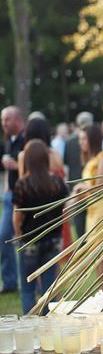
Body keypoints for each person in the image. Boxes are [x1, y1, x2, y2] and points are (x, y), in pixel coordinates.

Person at [12, 140, 69, 314]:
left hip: (30, 241)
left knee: (28, 289)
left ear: (27, 160)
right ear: (46, 158)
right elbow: (65, 209)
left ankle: (31, 325)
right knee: (50, 288)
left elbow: (17, 216)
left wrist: (19, 235)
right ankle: (48, 326)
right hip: (52, 240)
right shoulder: (57, 183)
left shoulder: (23, 185)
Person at [72, 124, 103, 293]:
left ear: (93, 139)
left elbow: (100, 187)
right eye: (80, 139)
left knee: (101, 255)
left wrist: (80, 188)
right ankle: (101, 292)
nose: (81, 142)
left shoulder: (102, 158)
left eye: (84, 138)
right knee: (96, 255)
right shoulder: (90, 160)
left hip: (102, 209)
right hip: (92, 210)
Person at [0, 106, 25, 294]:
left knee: (19, 238)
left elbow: (32, 166)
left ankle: (26, 281)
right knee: (4, 237)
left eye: (6, 119)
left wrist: (15, 165)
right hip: (10, 196)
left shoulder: (26, 140)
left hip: (23, 197)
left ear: (17, 120)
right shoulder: (10, 140)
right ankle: (10, 281)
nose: (3, 124)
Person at [64, 112, 94, 238]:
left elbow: (65, 162)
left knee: (80, 228)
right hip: (90, 187)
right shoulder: (95, 140)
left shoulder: (69, 142)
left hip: (77, 187)